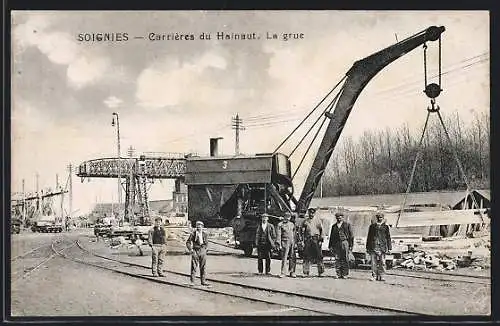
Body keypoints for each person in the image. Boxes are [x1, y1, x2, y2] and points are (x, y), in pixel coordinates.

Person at [366, 212, 392, 281]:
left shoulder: (386, 227)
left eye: (381, 217)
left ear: (383, 218)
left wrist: (389, 248)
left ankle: (382, 275)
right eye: (378, 217)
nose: (379, 219)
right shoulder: (372, 226)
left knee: (382, 262)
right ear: (376, 218)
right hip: (373, 246)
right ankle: (374, 276)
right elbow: (369, 237)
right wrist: (367, 247)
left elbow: (388, 237)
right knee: (373, 263)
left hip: (382, 247)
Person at [328, 211, 354, 279]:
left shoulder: (347, 225)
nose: (339, 219)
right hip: (336, 244)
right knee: (337, 259)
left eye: (340, 218)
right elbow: (331, 237)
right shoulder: (334, 226)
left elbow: (351, 236)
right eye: (337, 218)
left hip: (345, 242)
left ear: (343, 218)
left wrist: (351, 245)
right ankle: (338, 273)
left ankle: (345, 273)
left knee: (345, 258)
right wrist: (330, 246)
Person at [301, 207, 325, 277]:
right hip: (308, 240)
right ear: (308, 213)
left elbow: (322, 231)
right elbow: (302, 232)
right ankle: (305, 272)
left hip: (316, 239)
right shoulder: (305, 221)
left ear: (314, 213)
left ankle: (320, 272)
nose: (311, 214)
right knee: (306, 256)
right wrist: (302, 241)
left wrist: (321, 240)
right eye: (310, 213)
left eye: (312, 213)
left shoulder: (318, 221)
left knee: (319, 256)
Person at [186, 221, 209, 286]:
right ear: (196, 227)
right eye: (197, 226)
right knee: (194, 266)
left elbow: (206, 243)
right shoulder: (193, 234)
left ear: (202, 227)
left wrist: (205, 249)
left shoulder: (204, 234)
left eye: (200, 226)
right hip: (195, 250)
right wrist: (190, 249)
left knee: (203, 267)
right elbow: (188, 242)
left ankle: (203, 281)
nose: (199, 227)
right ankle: (192, 281)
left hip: (202, 251)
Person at [276, 211, 296, 278]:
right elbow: (279, 235)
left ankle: (292, 272)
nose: (287, 218)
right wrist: (279, 244)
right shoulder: (280, 224)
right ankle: (283, 272)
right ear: (284, 217)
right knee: (284, 258)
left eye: (289, 217)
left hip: (292, 242)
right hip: (285, 242)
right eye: (286, 217)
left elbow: (295, 234)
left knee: (292, 257)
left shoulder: (292, 224)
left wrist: (295, 243)